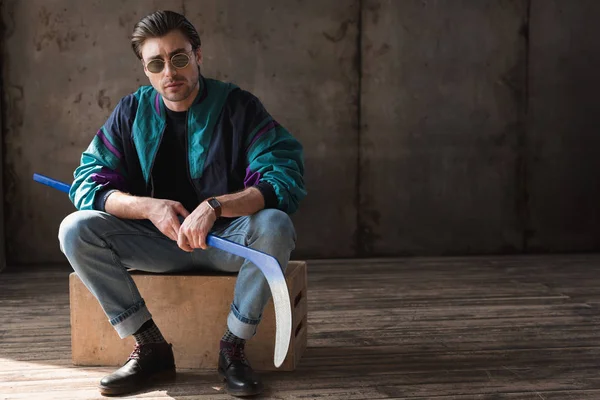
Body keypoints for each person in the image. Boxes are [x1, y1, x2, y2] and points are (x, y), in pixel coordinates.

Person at [58, 9, 306, 397]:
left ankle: (233, 348)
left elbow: (283, 176)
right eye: (156, 63)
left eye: (179, 58)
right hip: (156, 244)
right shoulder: (131, 112)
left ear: (198, 56)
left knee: (275, 224)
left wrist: (215, 206)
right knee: (74, 228)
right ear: (146, 70)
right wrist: (148, 208)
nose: (169, 72)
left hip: (228, 242)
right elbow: (88, 181)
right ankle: (150, 346)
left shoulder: (238, 107)